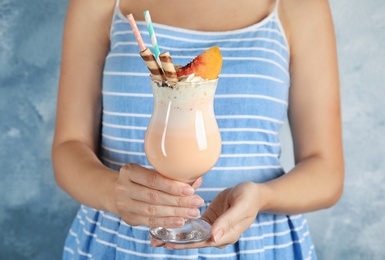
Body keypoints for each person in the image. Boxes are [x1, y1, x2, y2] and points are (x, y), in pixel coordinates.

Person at [52, 0, 344, 258]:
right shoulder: (97, 3)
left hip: (260, 243)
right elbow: (69, 144)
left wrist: (262, 197)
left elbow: (327, 172)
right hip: (119, 240)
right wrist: (112, 193)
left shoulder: (300, 6)